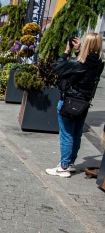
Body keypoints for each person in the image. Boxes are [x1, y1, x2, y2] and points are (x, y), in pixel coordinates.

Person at [47, 33, 104, 178]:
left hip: (69, 101)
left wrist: (67, 51)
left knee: (66, 135)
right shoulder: (99, 63)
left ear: (87, 44)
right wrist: (78, 51)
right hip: (83, 103)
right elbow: (86, 64)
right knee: (76, 134)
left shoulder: (77, 63)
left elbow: (58, 68)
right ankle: (70, 163)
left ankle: (63, 167)